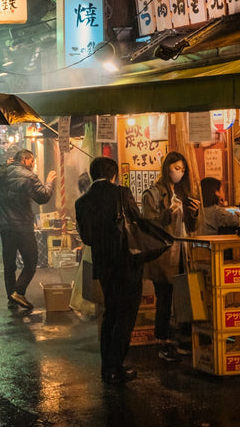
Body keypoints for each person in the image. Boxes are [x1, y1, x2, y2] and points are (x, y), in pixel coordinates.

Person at [75, 157, 144, 384]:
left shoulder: (82, 202)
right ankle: (117, 366)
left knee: (111, 312)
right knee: (127, 314)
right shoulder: (122, 194)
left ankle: (107, 367)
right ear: (113, 174)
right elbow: (138, 222)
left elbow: (87, 238)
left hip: (104, 265)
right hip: (128, 262)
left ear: (93, 174)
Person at [141, 151, 200, 362]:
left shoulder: (184, 193)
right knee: (164, 298)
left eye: (183, 169)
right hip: (164, 254)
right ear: (167, 168)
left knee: (185, 294)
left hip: (183, 250)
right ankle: (162, 341)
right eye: (176, 168)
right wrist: (167, 214)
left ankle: (184, 339)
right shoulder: (154, 194)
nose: (180, 173)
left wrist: (194, 212)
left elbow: (191, 226)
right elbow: (149, 225)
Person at [0, 149, 56, 311]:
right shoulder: (29, 176)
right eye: (32, 161)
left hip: (6, 227)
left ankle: (12, 298)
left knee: (9, 264)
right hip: (23, 227)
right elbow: (43, 197)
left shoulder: (0, 173)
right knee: (31, 262)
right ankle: (19, 291)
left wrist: (4, 164)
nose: (33, 165)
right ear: (24, 160)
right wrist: (49, 182)